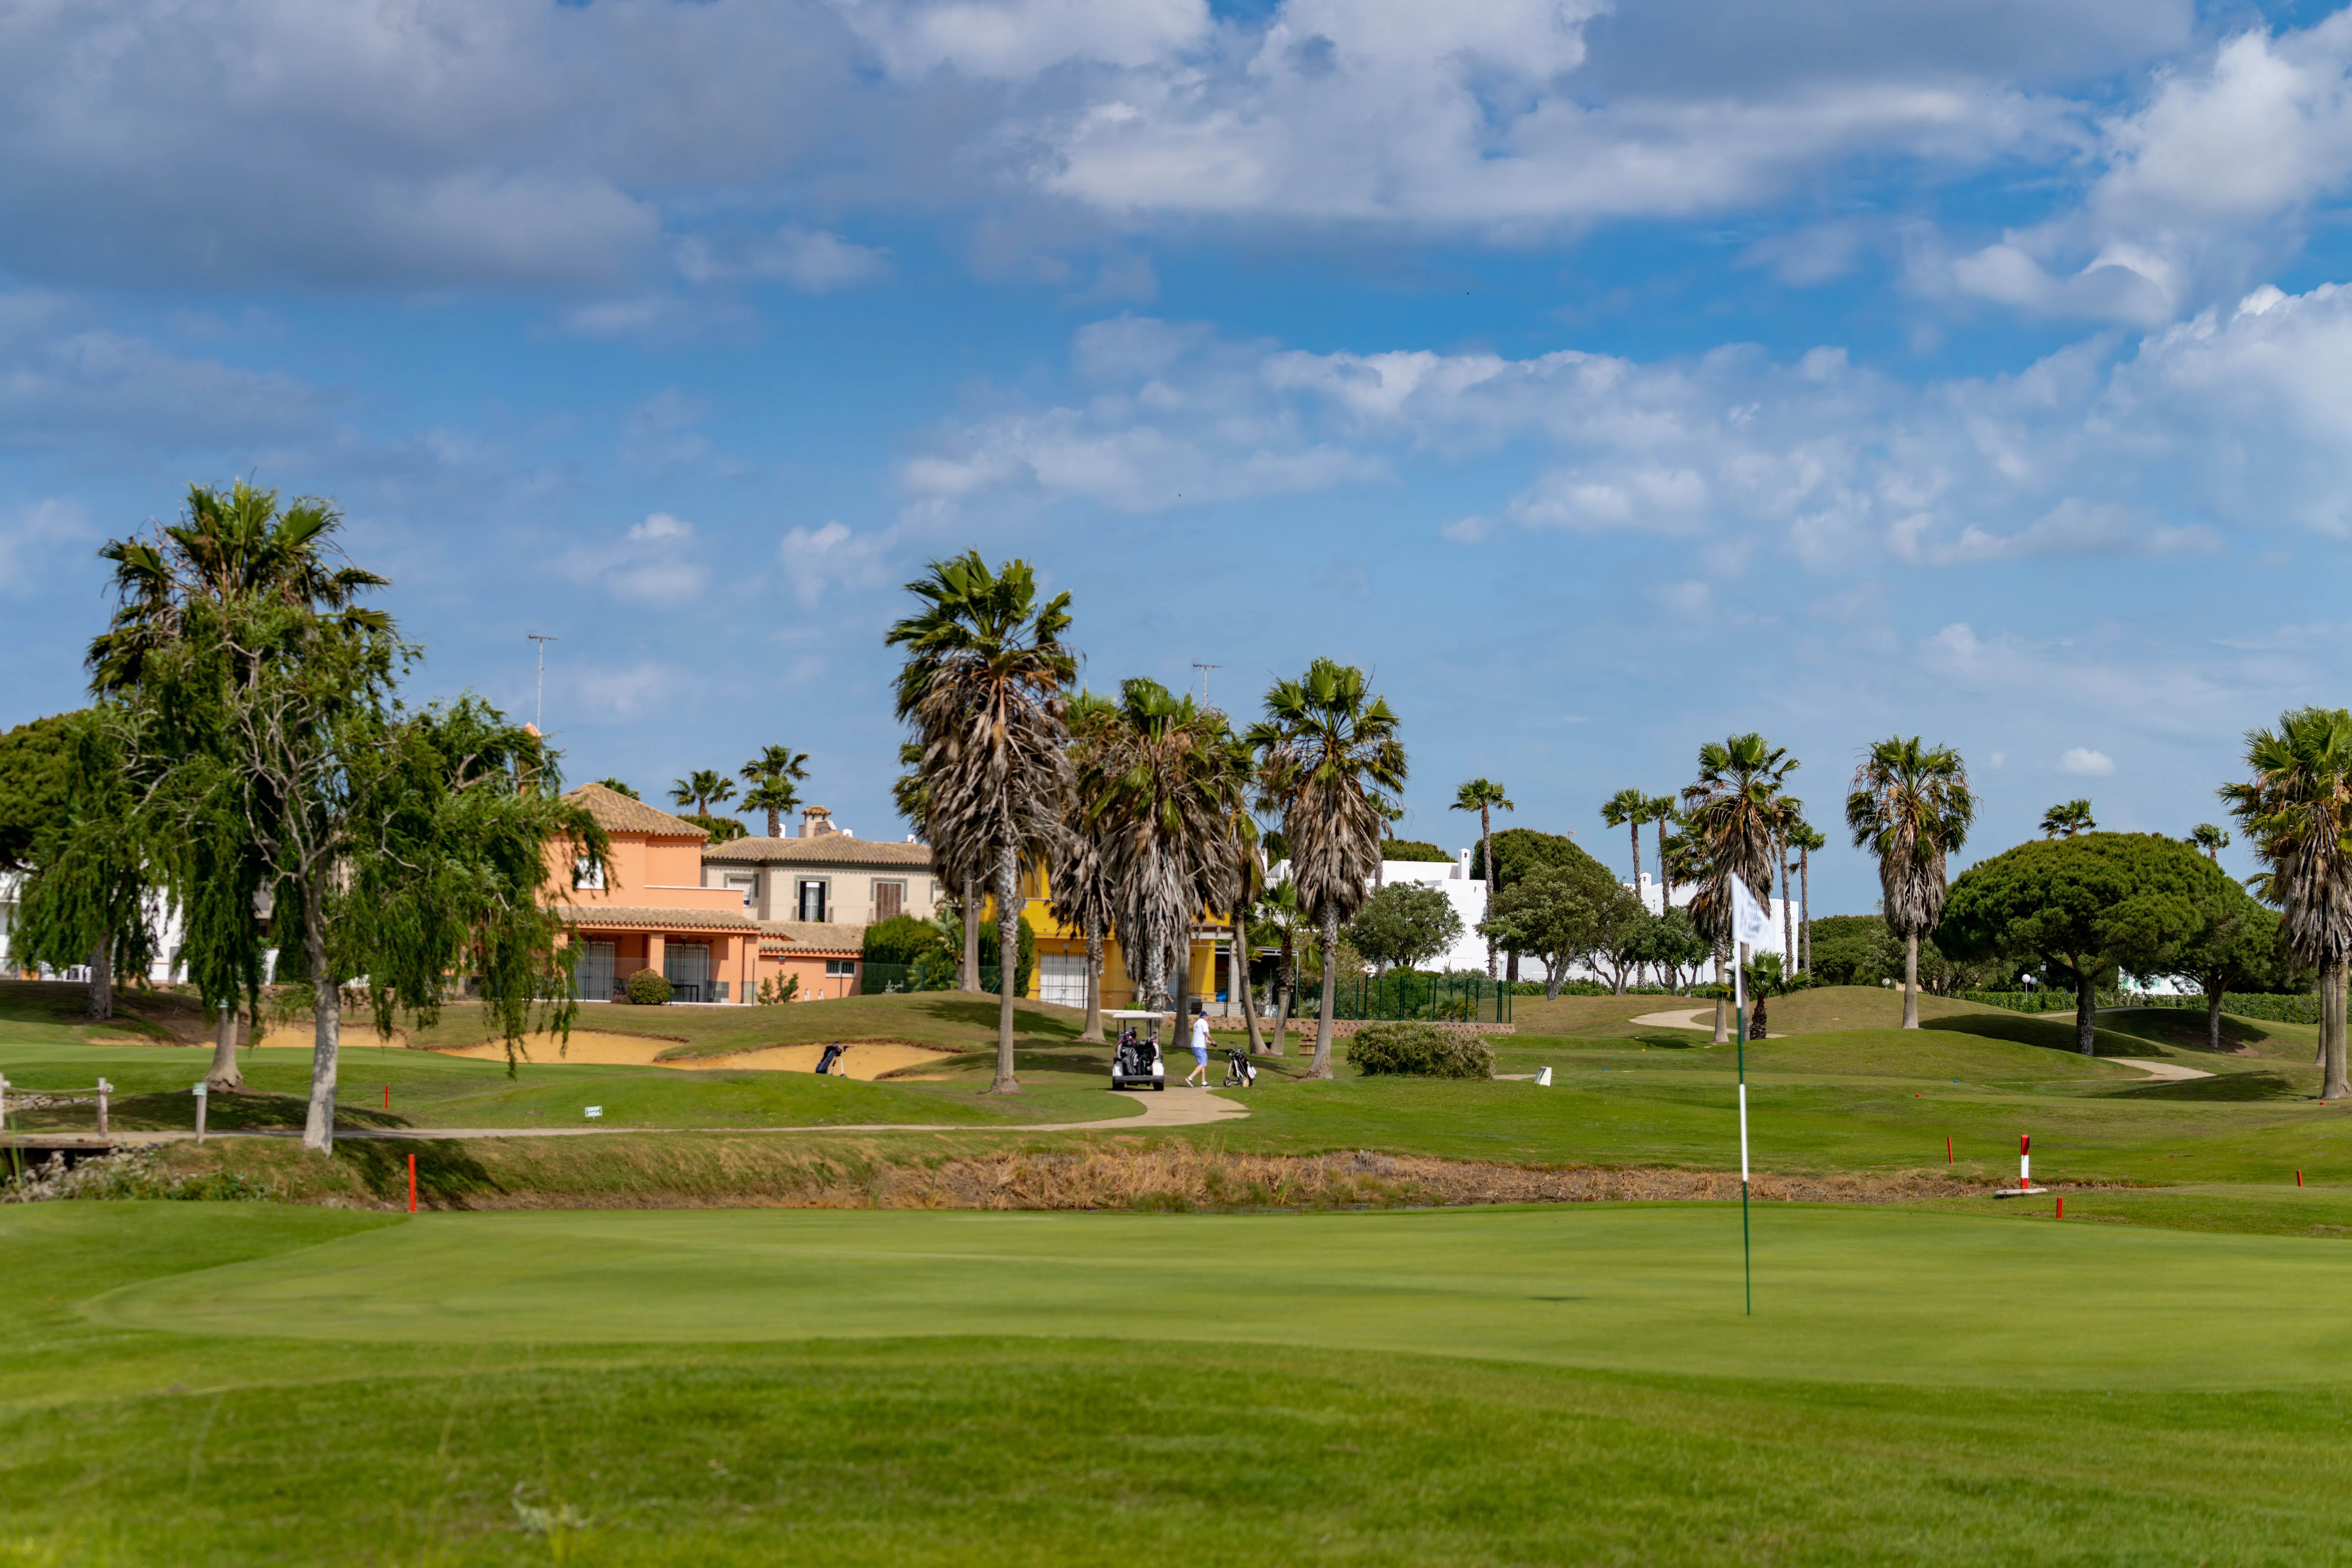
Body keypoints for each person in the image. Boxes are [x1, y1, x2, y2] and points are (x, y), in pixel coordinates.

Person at [1184, 1009, 1211, 1086]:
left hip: (1195, 1046)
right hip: (1200, 1047)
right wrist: (1212, 1041)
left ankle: (1204, 1082)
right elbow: (1207, 1034)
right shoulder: (1204, 1023)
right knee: (1203, 1063)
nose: (1207, 1018)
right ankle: (1190, 1078)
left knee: (1202, 1064)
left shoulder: (1197, 1024)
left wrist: (1210, 1043)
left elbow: (1200, 1036)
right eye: (1207, 1017)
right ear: (1205, 1017)